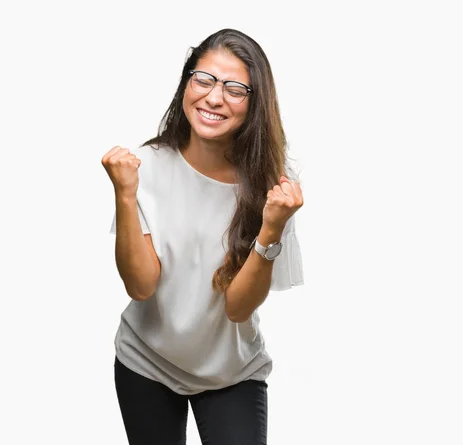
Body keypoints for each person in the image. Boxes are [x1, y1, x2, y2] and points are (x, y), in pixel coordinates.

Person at [101, 28, 304, 445]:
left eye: (235, 88)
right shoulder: (148, 167)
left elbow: (238, 307)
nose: (214, 98)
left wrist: (271, 228)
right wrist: (125, 194)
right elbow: (140, 286)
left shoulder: (273, 186)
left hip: (231, 372)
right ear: (186, 84)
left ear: (255, 102)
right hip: (146, 361)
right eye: (204, 79)